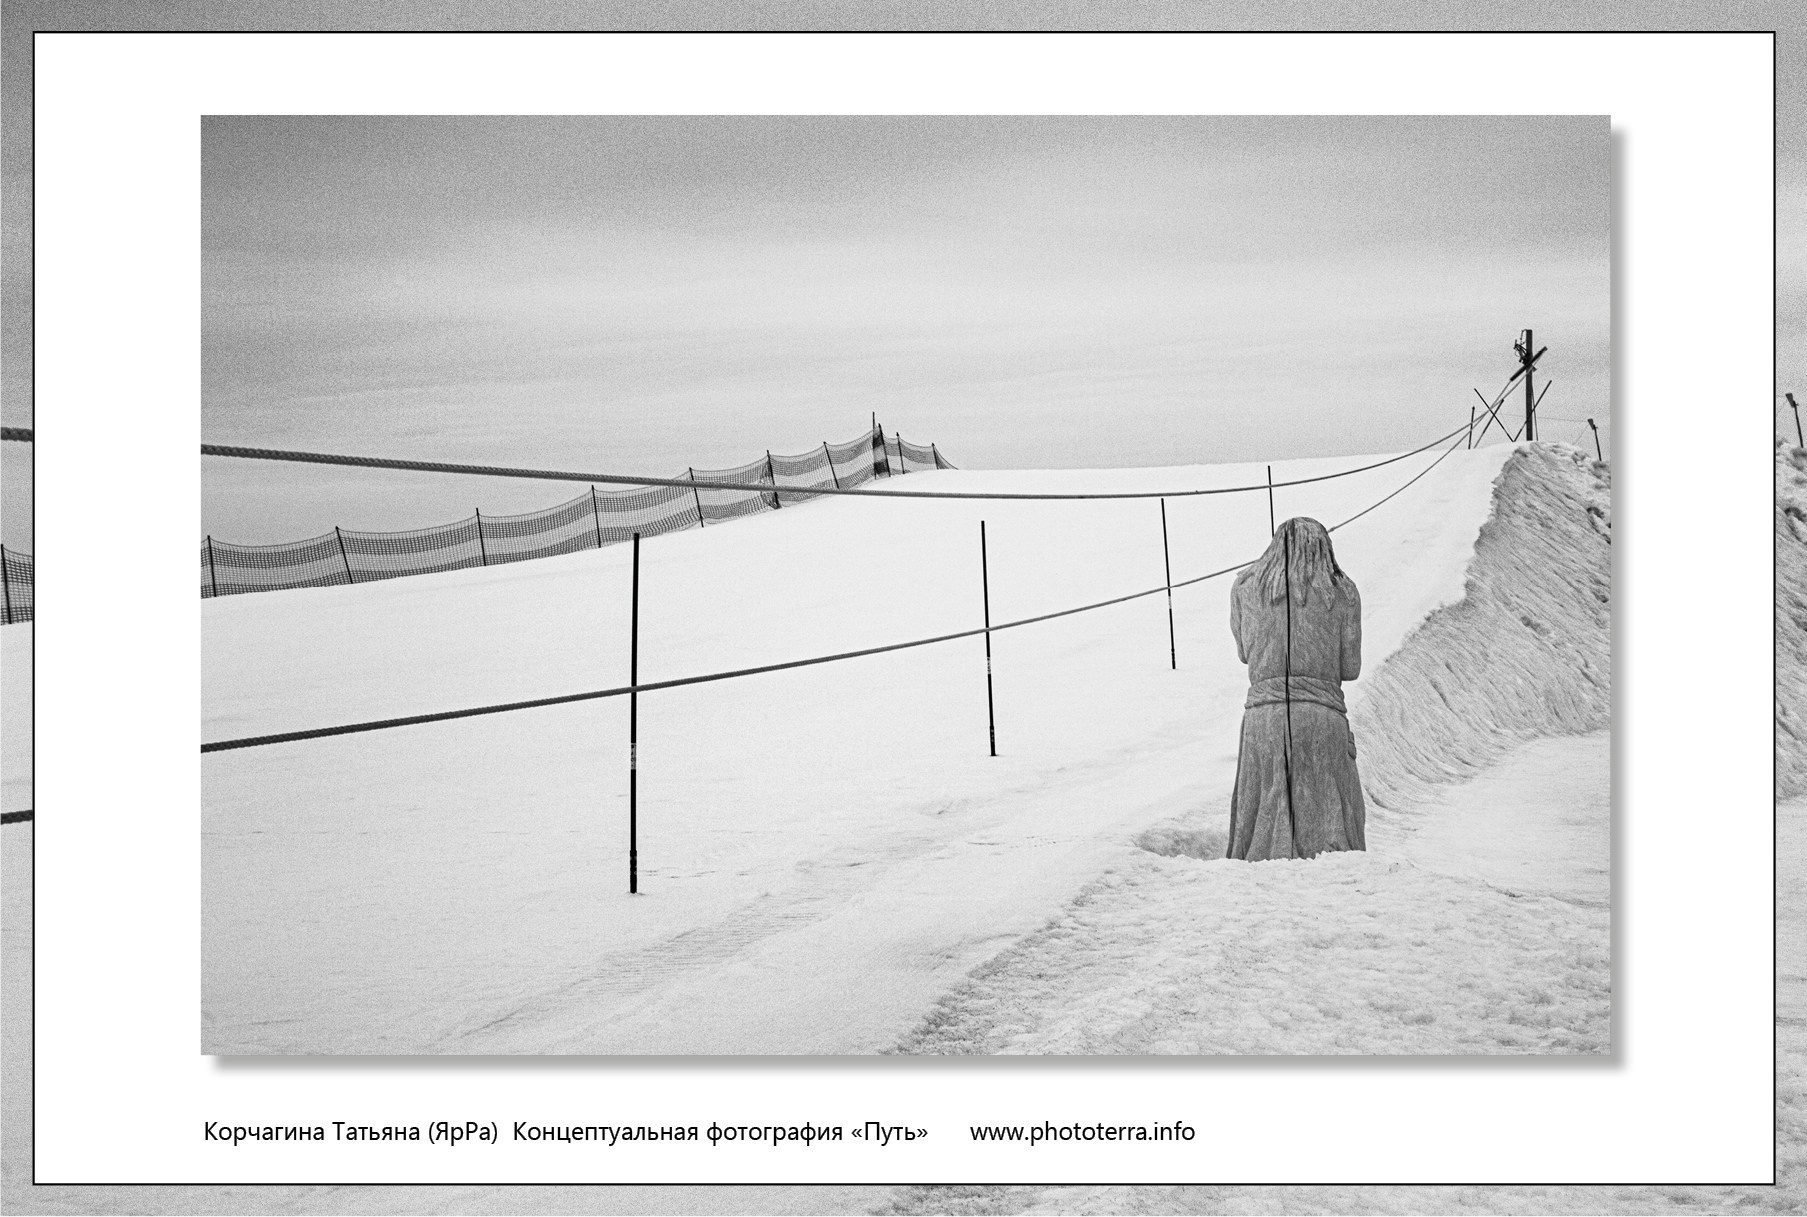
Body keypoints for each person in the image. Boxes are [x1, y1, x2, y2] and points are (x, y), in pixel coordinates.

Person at [1226, 516, 1366, 861]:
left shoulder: (1245, 586)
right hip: (1322, 718)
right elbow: (1351, 668)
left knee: (1260, 825)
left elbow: (1245, 654)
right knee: (1330, 833)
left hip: (1263, 720)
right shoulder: (1343, 592)